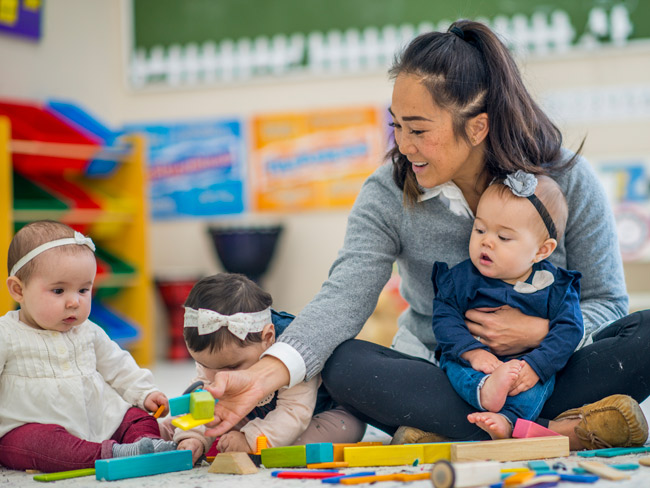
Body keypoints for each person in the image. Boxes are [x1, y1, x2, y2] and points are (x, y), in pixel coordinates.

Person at [201, 19, 650, 451]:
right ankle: (558, 428)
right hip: (444, 374)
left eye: (418, 130)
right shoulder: (387, 192)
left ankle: (462, 428)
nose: (403, 145)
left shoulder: (567, 179)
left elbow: (607, 301)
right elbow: (343, 297)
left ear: (477, 126)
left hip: (553, 366)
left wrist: (540, 335)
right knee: (343, 365)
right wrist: (264, 374)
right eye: (396, 125)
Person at [0, 220, 176, 473]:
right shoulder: (6, 334)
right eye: (59, 290)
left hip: (98, 419)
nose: (74, 302)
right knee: (35, 444)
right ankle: (113, 453)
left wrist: (145, 393)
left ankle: (144, 444)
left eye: (84, 289)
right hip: (32, 426)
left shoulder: (88, 331)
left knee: (135, 416)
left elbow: (119, 366)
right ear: (18, 290)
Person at [433, 172, 583, 439]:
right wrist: (473, 353)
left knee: (535, 388)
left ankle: (507, 422)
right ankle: (485, 391)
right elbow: (445, 319)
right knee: (453, 367)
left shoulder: (556, 286)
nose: (486, 241)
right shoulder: (461, 280)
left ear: (541, 251)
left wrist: (537, 366)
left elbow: (570, 330)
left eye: (503, 237)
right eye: (479, 229)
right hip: (473, 362)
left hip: (526, 365)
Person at [168, 273, 365, 464]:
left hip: (318, 413)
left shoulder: (294, 350)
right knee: (191, 423)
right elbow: (203, 401)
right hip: (253, 415)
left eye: (232, 367)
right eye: (204, 365)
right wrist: (193, 437)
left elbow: (294, 412)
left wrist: (250, 439)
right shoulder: (218, 361)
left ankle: (258, 443)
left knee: (325, 434)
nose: (218, 376)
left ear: (268, 338)